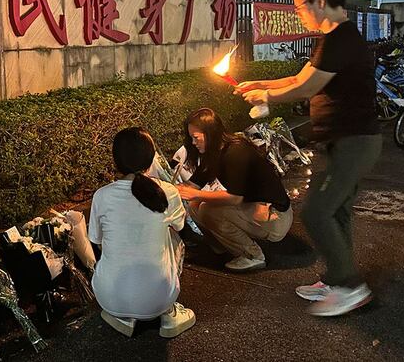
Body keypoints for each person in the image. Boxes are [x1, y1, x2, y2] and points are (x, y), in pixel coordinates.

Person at [235, 0, 381, 317]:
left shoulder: (342, 38)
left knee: (317, 213)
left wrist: (268, 99)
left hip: (354, 142)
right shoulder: (331, 39)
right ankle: (337, 279)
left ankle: (352, 288)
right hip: (339, 141)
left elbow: (306, 88)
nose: (299, 14)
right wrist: (261, 86)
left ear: (320, 1)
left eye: (301, 6)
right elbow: (302, 76)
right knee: (337, 210)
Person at [88, 127, 196, 338]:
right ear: (151, 158)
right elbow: (181, 228)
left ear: (116, 161)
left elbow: (96, 241)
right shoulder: (168, 191)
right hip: (159, 298)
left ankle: (123, 317)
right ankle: (169, 313)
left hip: (108, 297)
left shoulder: (102, 196)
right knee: (171, 235)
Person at [174, 108, 292, 273]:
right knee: (195, 204)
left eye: (196, 138)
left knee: (209, 211)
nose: (193, 143)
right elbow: (194, 184)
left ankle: (253, 256)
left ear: (210, 134)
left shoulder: (235, 152)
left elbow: (235, 198)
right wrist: (170, 189)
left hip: (274, 216)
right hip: (254, 207)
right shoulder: (213, 152)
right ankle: (222, 245)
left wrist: (197, 194)